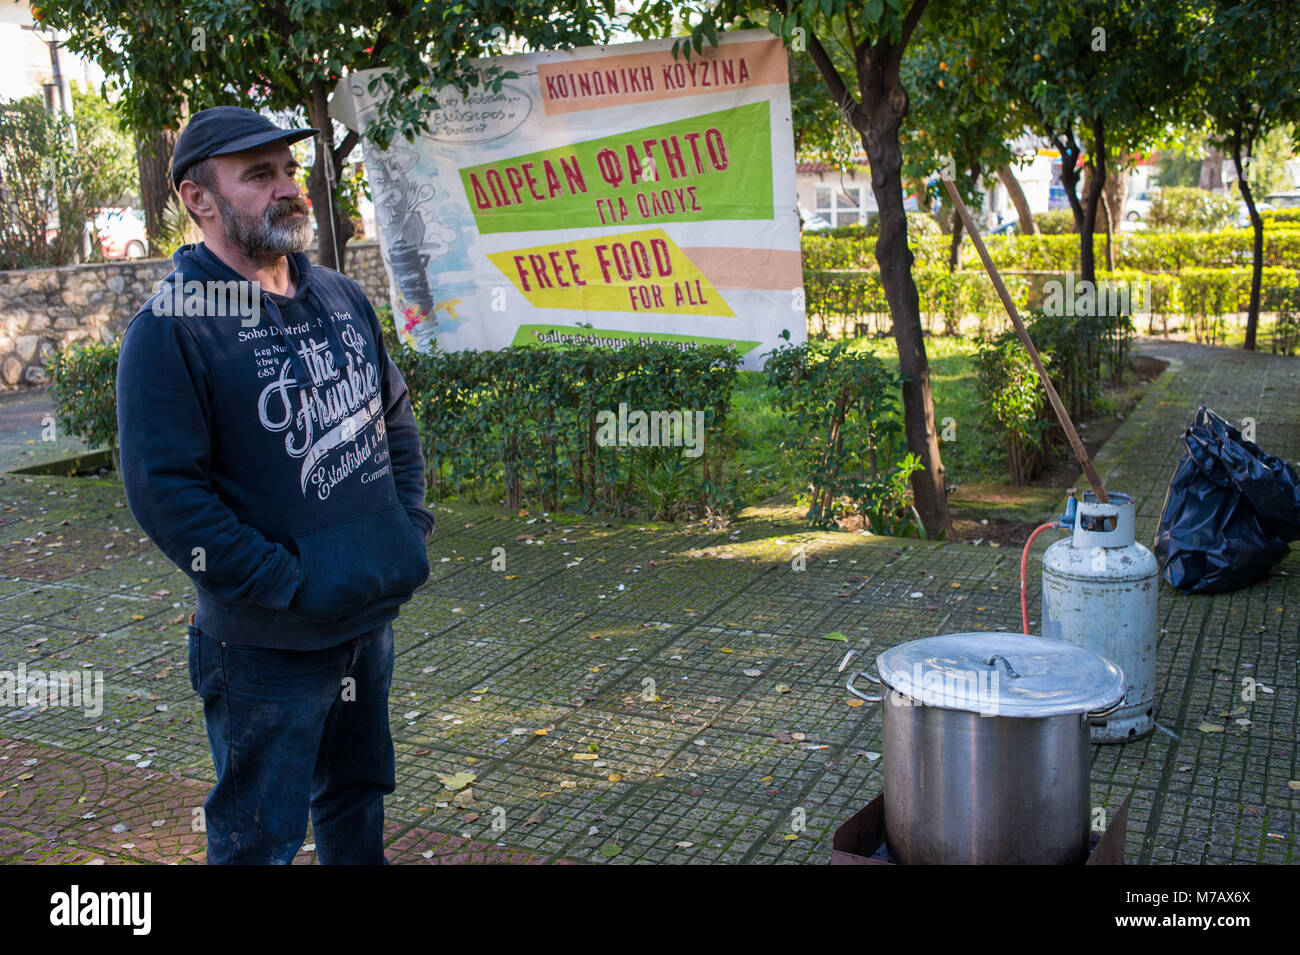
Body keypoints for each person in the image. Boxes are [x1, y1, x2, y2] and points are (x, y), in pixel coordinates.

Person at [115, 106, 435, 864]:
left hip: (367, 618)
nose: (288, 188)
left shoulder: (339, 296)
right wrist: (288, 584)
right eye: (258, 175)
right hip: (265, 646)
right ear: (199, 198)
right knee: (260, 838)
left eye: (288, 170)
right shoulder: (173, 327)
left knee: (356, 798)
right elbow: (168, 495)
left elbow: (393, 419)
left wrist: (407, 526)